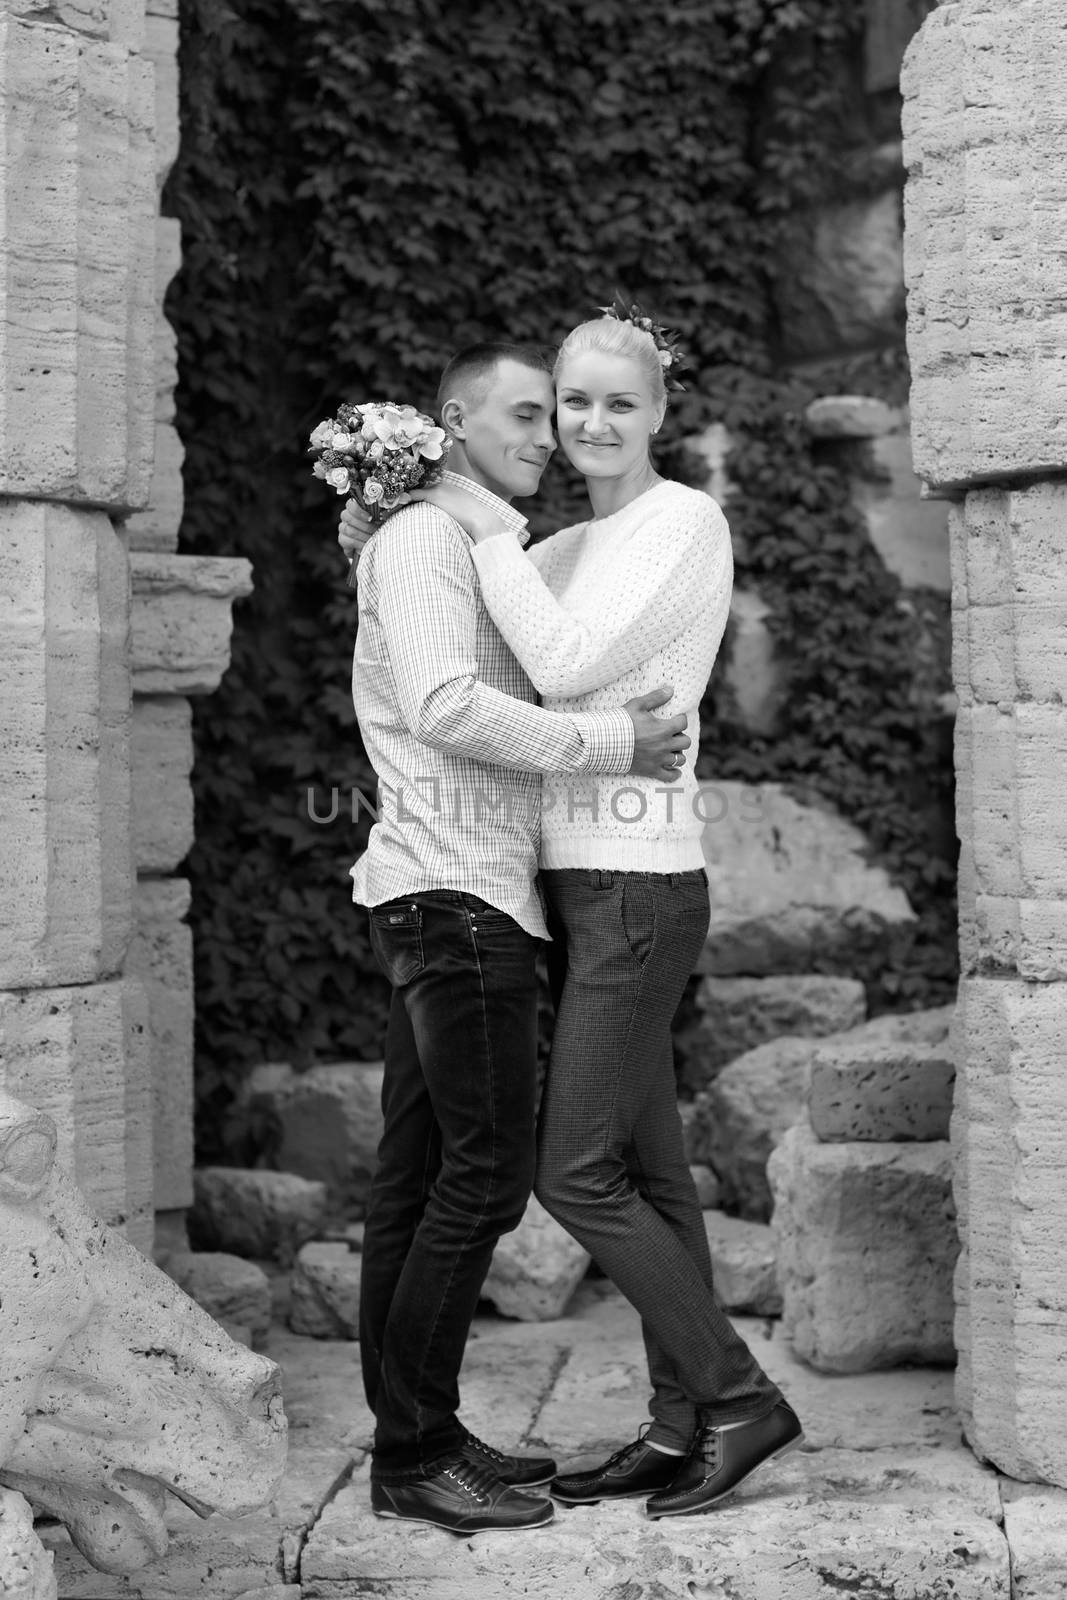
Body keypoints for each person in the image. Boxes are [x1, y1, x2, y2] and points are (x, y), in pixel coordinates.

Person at [391, 309, 804, 1519]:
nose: (590, 422)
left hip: (636, 883)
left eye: (619, 402)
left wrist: (477, 522)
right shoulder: (562, 542)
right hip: (572, 887)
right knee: (653, 1177)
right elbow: (492, 673)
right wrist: (407, 524)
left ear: (660, 413)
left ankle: (736, 1397)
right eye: (572, 400)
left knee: (572, 1172)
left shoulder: (682, 521)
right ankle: (680, 1425)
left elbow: (564, 668)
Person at [344, 340, 692, 1535]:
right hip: (459, 897)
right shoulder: (430, 539)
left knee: (414, 1182)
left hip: (440, 887)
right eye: (527, 414)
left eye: (558, 418)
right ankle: (418, 1454)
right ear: (451, 418)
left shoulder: (466, 536)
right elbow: (443, 702)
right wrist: (614, 748)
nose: (547, 437)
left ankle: (413, 1440)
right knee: (483, 1178)